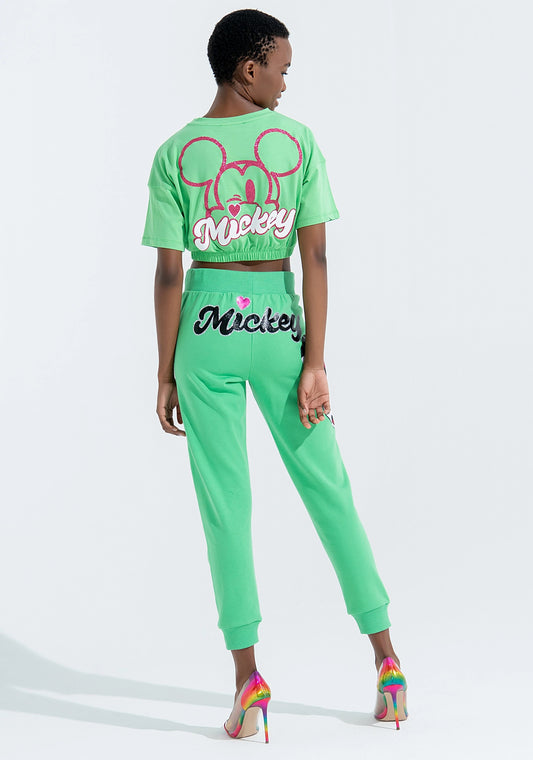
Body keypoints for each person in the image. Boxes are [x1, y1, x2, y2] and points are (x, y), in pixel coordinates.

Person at [141, 8, 408, 742]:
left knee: (226, 508)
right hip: (279, 327)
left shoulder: (174, 153)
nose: (287, 83)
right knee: (329, 488)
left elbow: (169, 274)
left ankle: (248, 683)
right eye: (281, 69)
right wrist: (314, 359)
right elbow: (314, 257)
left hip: (205, 332)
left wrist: (164, 372)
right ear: (248, 67)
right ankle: (387, 663)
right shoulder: (296, 143)